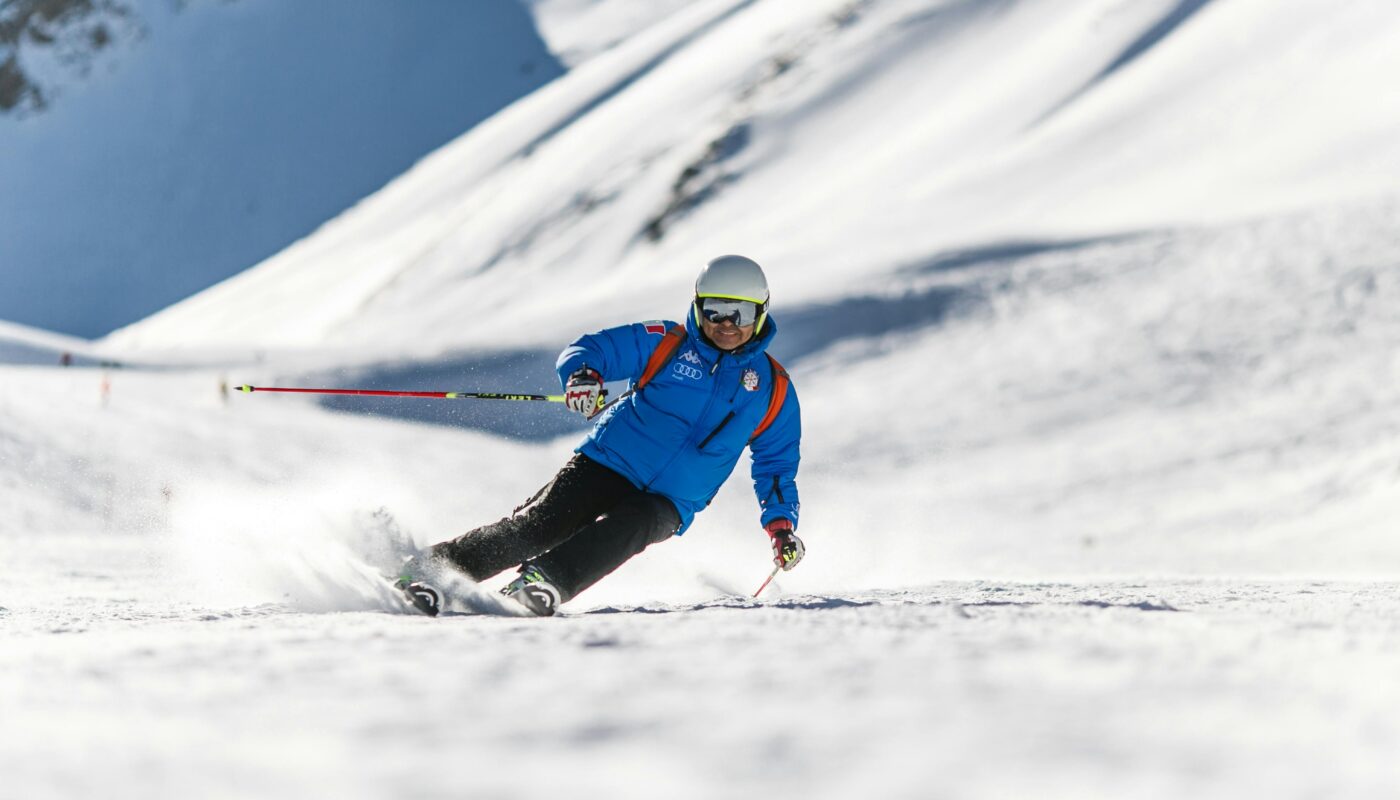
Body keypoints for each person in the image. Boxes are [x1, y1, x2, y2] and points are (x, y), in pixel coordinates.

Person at [397, 255, 803, 616]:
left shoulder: (773, 388)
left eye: (740, 314)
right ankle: (428, 572)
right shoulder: (667, 341)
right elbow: (594, 349)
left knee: (633, 526)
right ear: (698, 307)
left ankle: (543, 582)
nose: (727, 325)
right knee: (538, 527)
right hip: (609, 461)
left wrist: (781, 527)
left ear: (760, 314)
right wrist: (583, 377)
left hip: (672, 499)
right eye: (715, 311)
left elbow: (775, 465)